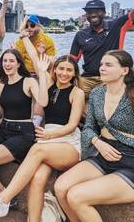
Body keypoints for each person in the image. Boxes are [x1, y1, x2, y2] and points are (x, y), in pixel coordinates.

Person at [0, 55, 84, 222]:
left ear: (75, 74)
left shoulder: (77, 93)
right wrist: (38, 65)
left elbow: (72, 125)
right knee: (37, 179)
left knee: (37, 149)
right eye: (61, 68)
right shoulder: (49, 87)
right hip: (46, 141)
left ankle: (3, 200)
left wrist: (50, 134)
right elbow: (37, 63)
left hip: (66, 141)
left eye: (69, 70)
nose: (64, 73)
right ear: (54, 70)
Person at [54, 50, 134, 222]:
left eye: (108, 65)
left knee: (76, 196)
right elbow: (89, 127)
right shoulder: (97, 94)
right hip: (101, 152)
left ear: (124, 70)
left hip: (130, 160)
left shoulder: (132, 94)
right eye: (101, 64)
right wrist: (98, 142)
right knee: (60, 187)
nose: (102, 68)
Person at [0, 49, 48, 207]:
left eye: (11, 61)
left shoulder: (28, 81)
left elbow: (43, 102)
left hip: (23, 132)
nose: (7, 64)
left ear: (19, 63)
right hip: (4, 128)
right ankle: (5, 196)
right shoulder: (3, 85)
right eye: (4, 61)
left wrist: (43, 74)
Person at [70, 0, 134, 104]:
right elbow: (72, 61)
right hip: (88, 79)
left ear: (104, 12)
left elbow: (132, 15)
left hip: (112, 78)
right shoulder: (80, 35)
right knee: (73, 100)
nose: (93, 14)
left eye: (97, 11)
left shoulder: (117, 25)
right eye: (89, 12)